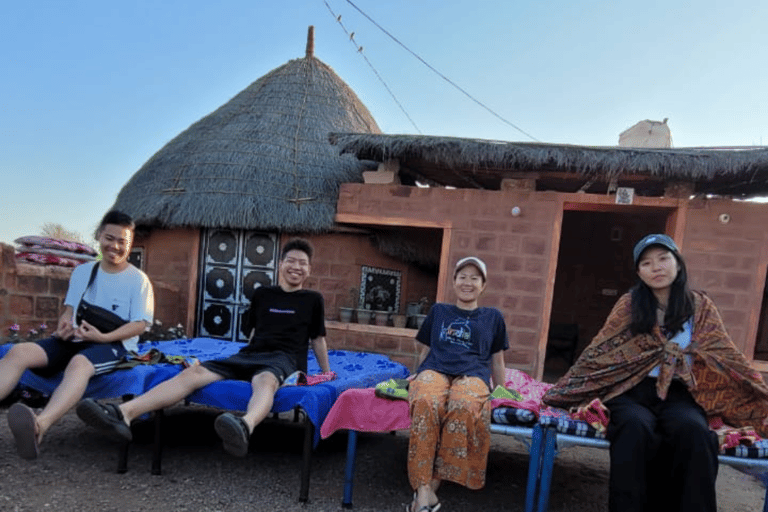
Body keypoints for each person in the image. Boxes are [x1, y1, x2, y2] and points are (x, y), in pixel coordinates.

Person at [543, 234, 768, 512]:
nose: (657, 267)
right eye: (647, 263)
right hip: (629, 391)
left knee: (695, 432)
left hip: (680, 392)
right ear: (639, 272)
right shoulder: (630, 305)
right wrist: (565, 389)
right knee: (634, 428)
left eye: (664, 259)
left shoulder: (700, 307)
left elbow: (725, 355)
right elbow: (600, 353)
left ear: (678, 263)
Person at [77, 237, 330, 457]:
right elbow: (253, 333)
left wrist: (326, 371)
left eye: (302, 263)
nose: (296, 267)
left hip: (284, 358)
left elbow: (318, 338)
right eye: (292, 261)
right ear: (280, 264)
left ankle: (244, 426)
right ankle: (122, 414)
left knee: (264, 380)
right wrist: (245, 357)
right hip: (250, 354)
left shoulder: (312, 300)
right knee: (193, 373)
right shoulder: (263, 294)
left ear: (309, 270)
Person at [1, 210, 154, 460]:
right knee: (19, 351)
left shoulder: (138, 281)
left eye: (122, 241)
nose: (114, 246)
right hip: (75, 338)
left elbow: (139, 325)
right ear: (99, 236)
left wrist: (103, 338)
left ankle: (40, 426)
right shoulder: (83, 272)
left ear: (130, 244)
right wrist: (64, 326)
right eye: (109, 238)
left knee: (80, 363)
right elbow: (70, 311)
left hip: (115, 343)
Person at [407, 256, 508, 512]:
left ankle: (428, 489)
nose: (468, 282)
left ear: (483, 285)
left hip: (472, 375)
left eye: (475, 278)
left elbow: (497, 358)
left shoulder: (493, 317)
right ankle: (423, 492)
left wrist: (502, 389)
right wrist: (416, 374)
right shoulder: (439, 311)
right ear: (453, 281)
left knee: (463, 407)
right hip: (435, 369)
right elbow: (425, 349)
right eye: (462, 276)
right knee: (425, 402)